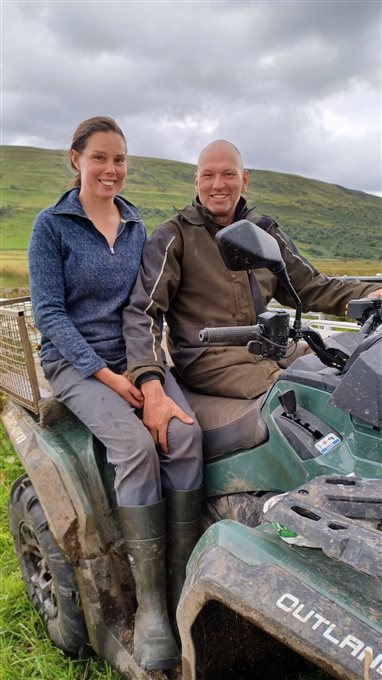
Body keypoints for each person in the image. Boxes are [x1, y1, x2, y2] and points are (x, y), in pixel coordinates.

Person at [28, 116, 203, 672]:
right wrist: (105, 377)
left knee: (185, 435)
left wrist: (145, 374)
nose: (112, 169)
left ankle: (176, 584)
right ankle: (150, 609)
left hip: (132, 354)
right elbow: (50, 315)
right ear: (76, 158)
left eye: (120, 159)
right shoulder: (50, 226)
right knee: (133, 447)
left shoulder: (134, 223)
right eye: (100, 157)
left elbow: (141, 308)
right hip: (76, 361)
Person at [123, 139, 382, 457]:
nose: (218, 184)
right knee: (306, 393)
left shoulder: (264, 232)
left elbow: (310, 286)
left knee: (349, 367)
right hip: (212, 360)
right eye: (208, 175)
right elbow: (143, 312)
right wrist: (150, 382)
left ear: (244, 179)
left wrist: (369, 295)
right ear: (196, 181)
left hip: (270, 347)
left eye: (228, 174)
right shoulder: (174, 237)